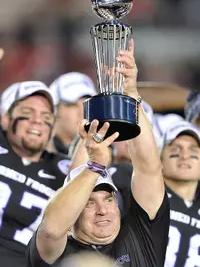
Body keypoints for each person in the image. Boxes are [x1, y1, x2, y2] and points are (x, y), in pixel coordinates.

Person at [27, 39, 170, 267]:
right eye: (89, 204)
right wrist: (94, 165)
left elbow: (148, 168)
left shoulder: (140, 235)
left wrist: (130, 94)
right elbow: (52, 230)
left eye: (109, 199)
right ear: (73, 214)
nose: (103, 211)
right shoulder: (57, 253)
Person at [0, 81, 66, 267]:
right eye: (27, 113)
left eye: (46, 116)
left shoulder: (63, 168)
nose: (37, 120)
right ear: (5, 119)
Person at [160, 120, 200, 267]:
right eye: (175, 150)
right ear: (160, 159)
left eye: (193, 151)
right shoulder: (148, 196)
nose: (184, 156)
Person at [48, 72, 96, 159]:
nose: (83, 113)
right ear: (54, 110)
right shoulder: (36, 154)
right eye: (73, 105)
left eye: (88, 105)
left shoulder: (106, 157)